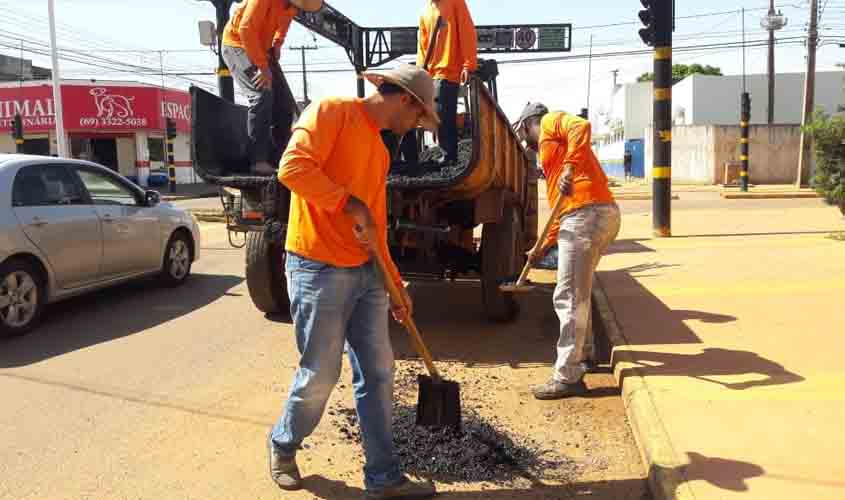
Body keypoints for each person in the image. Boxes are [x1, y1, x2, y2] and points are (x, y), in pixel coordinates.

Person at [270, 64, 440, 499]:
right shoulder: (332, 112)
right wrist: (348, 204)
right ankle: (284, 444)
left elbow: (376, 225)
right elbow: (292, 169)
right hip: (316, 267)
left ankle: (383, 478)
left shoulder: (380, 152)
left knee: (379, 373)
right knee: (320, 375)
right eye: (420, 117)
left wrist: (394, 283)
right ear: (405, 100)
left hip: (366, 273)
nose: (418, 126)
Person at [517, 102, 621, 400]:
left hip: (586, 215)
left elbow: (582, 127)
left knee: (569, 296)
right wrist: (540, 248)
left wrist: (570, 167)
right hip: (595, 215)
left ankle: (567, 376)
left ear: (527, 126)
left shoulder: (550, 122)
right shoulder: (552, 165)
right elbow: (560, 214)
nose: (529, 144)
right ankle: (585, 354)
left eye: (525, 136)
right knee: (580, 290)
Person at [221, 0, 323, 175]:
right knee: (262, 94)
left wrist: (277, 44)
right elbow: (246, 29)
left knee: (284, 104)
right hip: (237, 43)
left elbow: (283, 26)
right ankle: (257, 161)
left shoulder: (291, 7)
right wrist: (262, 66)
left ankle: (282, 158)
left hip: (261, 47)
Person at [416, 0, 478, 166]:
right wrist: (419, 73)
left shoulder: (456, 3)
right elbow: (422, 47)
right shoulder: (425, 12)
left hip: (449, 70)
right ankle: (442, 154)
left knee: (444, 113)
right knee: (434, 115)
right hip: (431, 74)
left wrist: (468, 65)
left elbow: (467, 32)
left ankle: (449, 155)